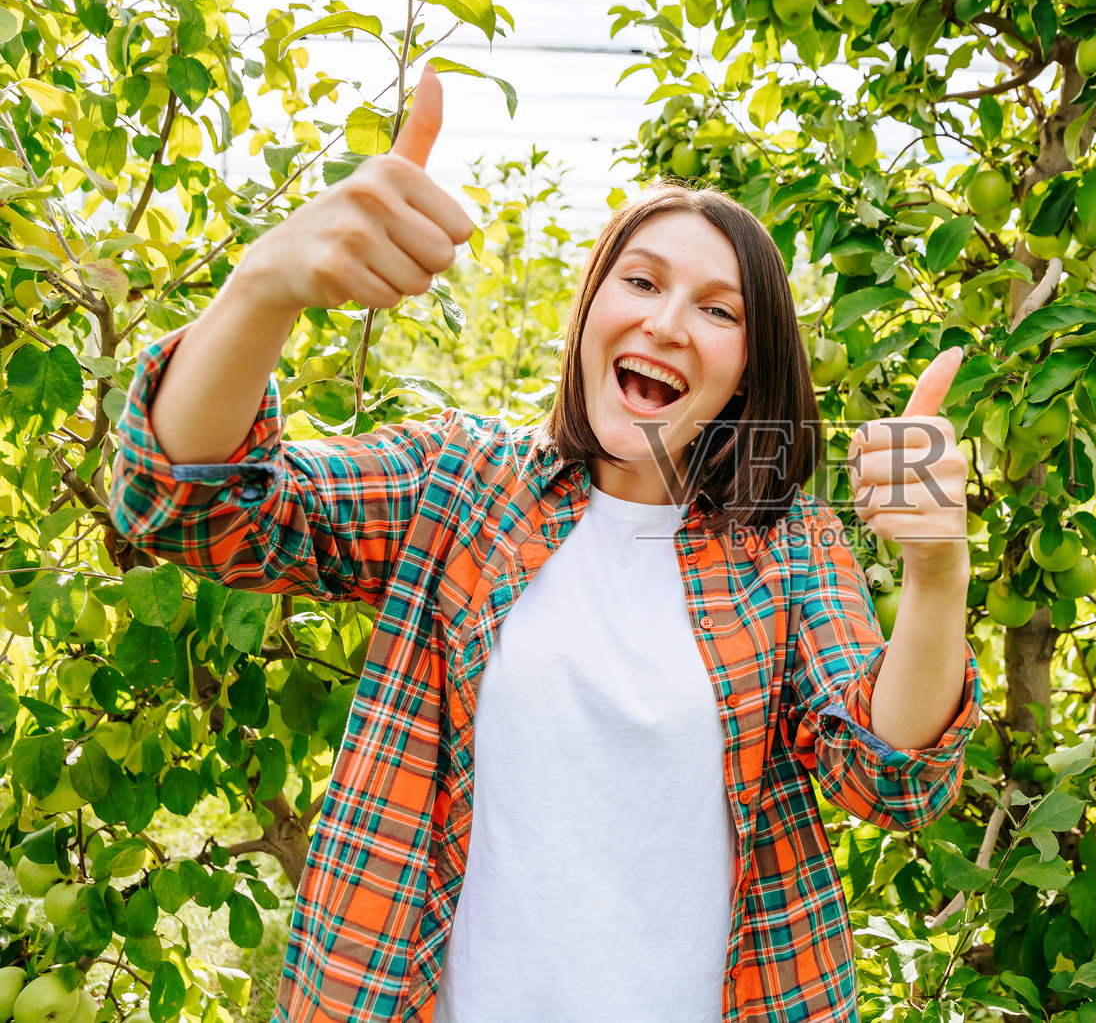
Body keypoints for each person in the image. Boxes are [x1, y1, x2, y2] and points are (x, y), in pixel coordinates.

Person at [110, 65, 982, 1022]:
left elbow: (889, 775)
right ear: (590, 311)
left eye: (717, 308)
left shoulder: (792, 545)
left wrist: (936, 573)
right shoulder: (462, 483)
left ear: (748, 366)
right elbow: (191, 504)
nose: (664, 321)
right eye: (641, 281)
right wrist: (265, 284)